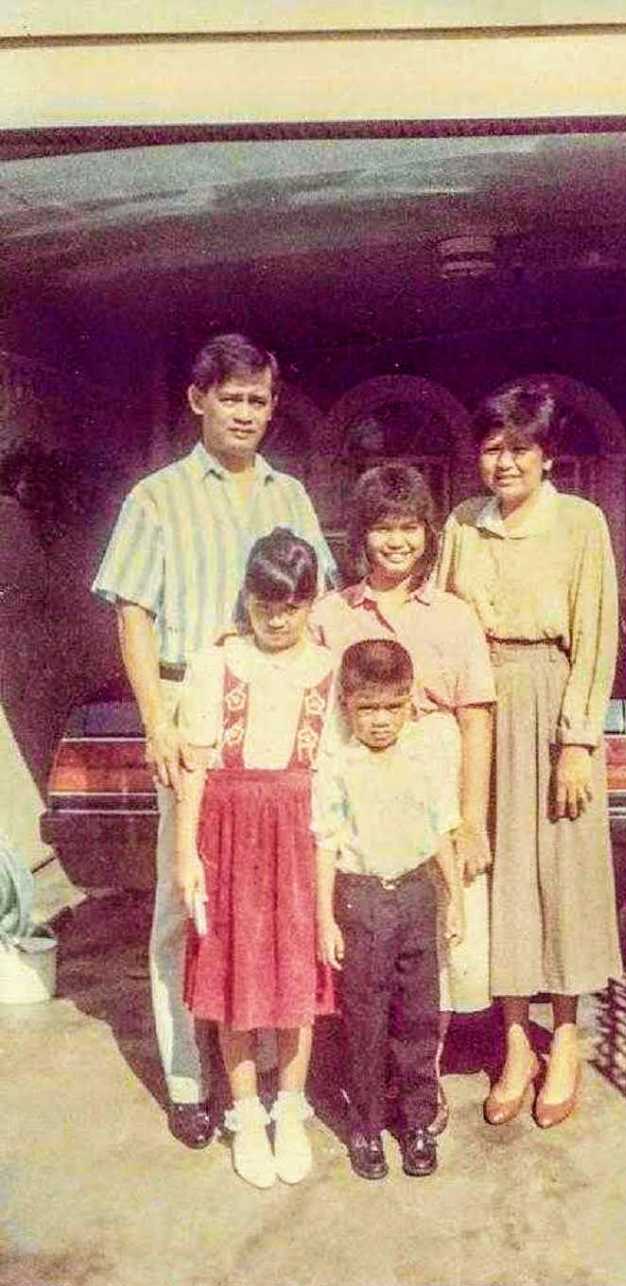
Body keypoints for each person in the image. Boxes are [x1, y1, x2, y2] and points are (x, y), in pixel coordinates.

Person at [92, 333, 336, 1150]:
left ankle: (270, 1080)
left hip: (275, 703)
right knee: (188, 898)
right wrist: (156, 721)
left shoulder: (290, 495)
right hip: (189, 701)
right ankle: (190, 1080)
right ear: (198, 400)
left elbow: (320, 601)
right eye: (231, 397)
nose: (246, 413)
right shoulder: (155, 497)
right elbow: (133, 610)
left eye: (259, 400)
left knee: (273, 897)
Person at [437, 379, 623, 1129]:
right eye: (491, 447)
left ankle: (568, 1037)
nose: (503, 461)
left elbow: (597, 632)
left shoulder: (581, 525)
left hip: (553, 702)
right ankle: (515, 1041)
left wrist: (577, 739)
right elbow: (445, 622)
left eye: (519, 447)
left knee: (563, 874)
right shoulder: (460, 523)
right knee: (501, 875)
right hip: (481, 707)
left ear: (548, 455)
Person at [309, 464, 495, 1136]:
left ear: (428, 533)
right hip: (359, 790)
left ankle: (422, 1081)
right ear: (361, 534)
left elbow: (476, 717)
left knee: (434, 948)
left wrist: (470, 817)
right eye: (383, 527)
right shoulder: (332, 613)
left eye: (410, 526)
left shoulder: (451, 615)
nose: (397, 541)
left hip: (433, 786)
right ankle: (368, 1080)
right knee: (364, 942)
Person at [174, 530, 334, 1189]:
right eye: (265, 603)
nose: (277, 618)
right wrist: (186, 851)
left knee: (297, 972)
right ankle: (244, 1111)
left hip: (300, 831)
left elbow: (334, 775)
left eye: (291, 606)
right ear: (247, 597)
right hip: (227, 831)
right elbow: (193, 766)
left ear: (311, 602)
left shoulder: (328, 665)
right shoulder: (217, 662)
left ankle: (289, 1113)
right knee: (232, 974)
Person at [313, 639, 464, 1181]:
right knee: (366, 1019)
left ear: (409, 705)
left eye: (391, 707)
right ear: (346, 707)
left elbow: (442, 831)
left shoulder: (423, 759)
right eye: (367, 708)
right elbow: (326, 844)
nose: (380, 721)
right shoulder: (337, 766)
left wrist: (456, 902)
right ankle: (367, 1126)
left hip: (418, 896)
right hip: (361, 899)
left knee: (419, 1018)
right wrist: (324, 918)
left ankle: (418, 1121)